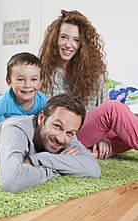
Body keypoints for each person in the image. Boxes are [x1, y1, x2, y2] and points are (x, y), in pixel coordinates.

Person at [39, 9, 138, 159]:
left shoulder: (92, 72)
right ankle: (84, 150)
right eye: (64, 37)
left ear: (82, 44)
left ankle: (94, 153)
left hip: (91, 132)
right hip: (65, 134)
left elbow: (103, 106)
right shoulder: (43, 72)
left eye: (76, 40)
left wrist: (102, 136)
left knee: (129, 127)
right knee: (114, 108)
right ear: (54, 39)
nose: (69, 45)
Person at [0, 94, 100, 193]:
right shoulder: (16, 129)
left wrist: (37, 160)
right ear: (41, 118)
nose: (61, 139)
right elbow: (11, 182)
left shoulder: (66, 133)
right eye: (57, 126)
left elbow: (93, 169)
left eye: (70, 133)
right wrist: (57, 169)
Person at [0, 52, 47, 167]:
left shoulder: (42, 100)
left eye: (34, 79)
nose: (28, 85)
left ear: (41, 81)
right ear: (9, 82)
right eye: (21, 79)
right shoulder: (4, 102)